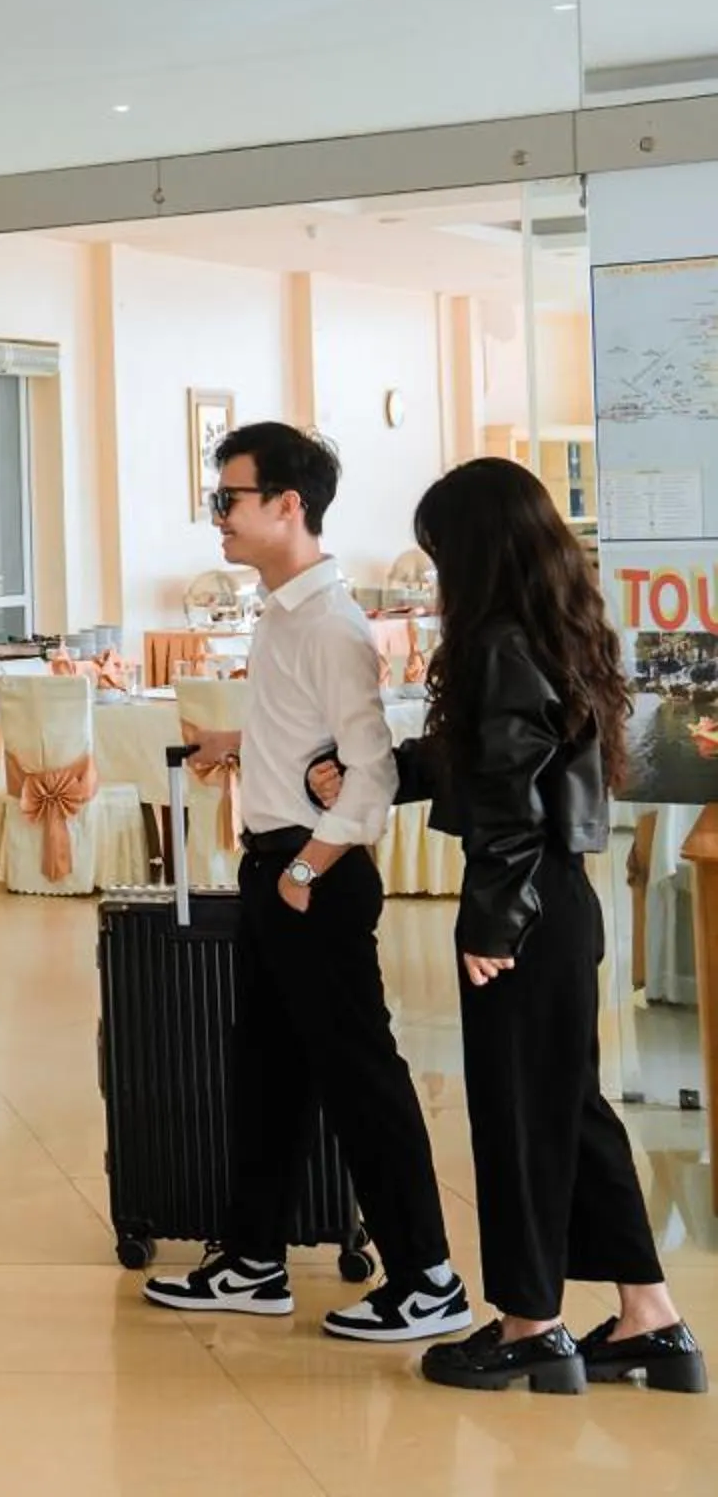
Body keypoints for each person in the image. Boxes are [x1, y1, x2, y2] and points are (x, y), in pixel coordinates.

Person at [309, 459, 700, 1393]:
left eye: (442, 550)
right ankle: (653, 1319)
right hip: (562, 903)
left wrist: (491, 923)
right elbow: (493, 763)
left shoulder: (497, 646)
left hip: (521, 909)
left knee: (521, 1116)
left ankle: (531, 1322)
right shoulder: (557, 634)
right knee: (569, 1110)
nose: (438, 571)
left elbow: (513, 809)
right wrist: (391, 773)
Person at [141, 423, 465, 1341]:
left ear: (289, 504)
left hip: (307, 874)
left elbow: (371, 771)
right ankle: (253, 1260)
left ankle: (428, 1277)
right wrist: (233, 747)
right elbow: (303, 735)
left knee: (361, 1075)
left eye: (229, 501)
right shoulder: (285, 613)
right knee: (268, 1073)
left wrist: (304, 869)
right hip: (280, 867)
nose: (219, 521)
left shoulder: (330, 622)